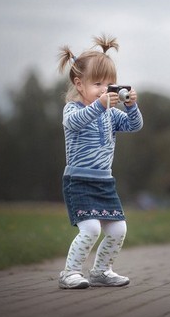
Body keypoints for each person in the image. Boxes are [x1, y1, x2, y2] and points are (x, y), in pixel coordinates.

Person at [56, 35, 143, 289]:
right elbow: (76, 122)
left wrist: (131, 106)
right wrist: (101, 106)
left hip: (104, 182)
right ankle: (70, 272)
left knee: (118, 230)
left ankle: (101, 271)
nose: (105, 89)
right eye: (98, 83)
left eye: (110, 83)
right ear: (79, 83)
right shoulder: (72, 109)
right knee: (91, 228)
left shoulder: (111, 113)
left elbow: (134, 126)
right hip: (79, 181)